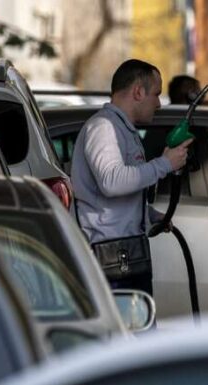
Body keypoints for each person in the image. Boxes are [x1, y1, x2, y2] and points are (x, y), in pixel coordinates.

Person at [71, 59, 192, 295]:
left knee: (139, 316)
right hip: (107, 257)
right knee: (126, 318)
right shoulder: (104, 127)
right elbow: (111, 181)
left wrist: (149, 215)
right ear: (138, 92)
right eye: (156, 94)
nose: (159, 104)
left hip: (125, 253)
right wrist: (164, 164)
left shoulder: (122, 129)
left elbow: (117, 195)